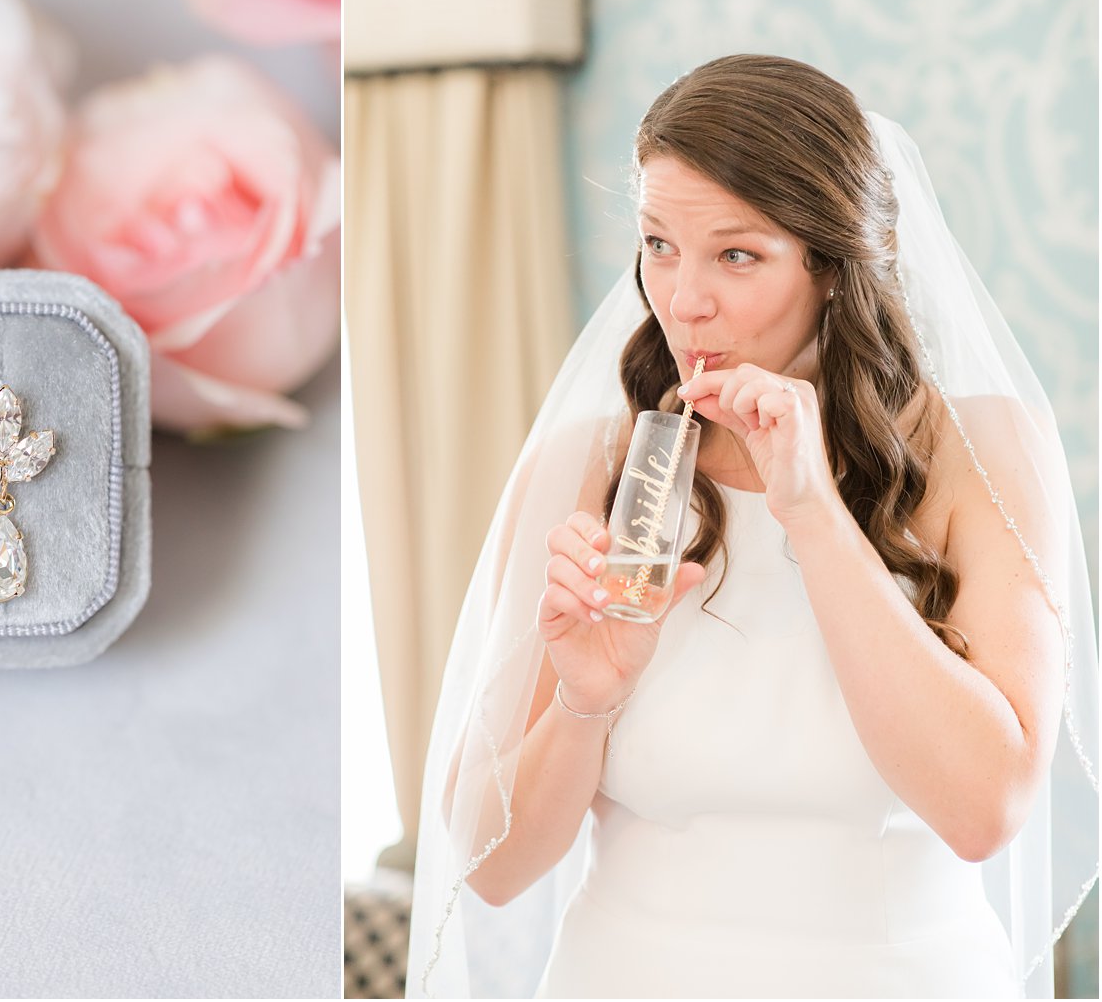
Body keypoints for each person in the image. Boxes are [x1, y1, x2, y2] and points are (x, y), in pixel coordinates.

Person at [406, 54, 1098, 999]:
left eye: (737, 254)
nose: (683, 298)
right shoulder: (592, 466)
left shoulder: (981, 452)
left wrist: (813, 515)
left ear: (833, 265)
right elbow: (491, 867)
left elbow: (988, 807)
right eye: (658, 243)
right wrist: (587, 697)